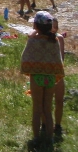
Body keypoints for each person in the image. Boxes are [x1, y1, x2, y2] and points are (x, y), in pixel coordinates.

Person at [20, 11, 64, 148]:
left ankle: (36, 138)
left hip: (37, 77)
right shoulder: (54, 41)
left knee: (37, 109)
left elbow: (25, 58)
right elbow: (58, 61)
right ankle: (50, 139)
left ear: (35, 25)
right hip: (50, 78)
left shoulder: (33, 41)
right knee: (48, 109)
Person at [50, 18, 66, 139]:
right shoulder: (42, 38)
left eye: (56, 26)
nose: (54, 29)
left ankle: (58, 125)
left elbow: (62, 58)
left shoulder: (60, 38)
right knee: (46, 101)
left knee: (59, 101)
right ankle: (45, 125)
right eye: (52, 26)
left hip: (58, 72)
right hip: (46, 73)